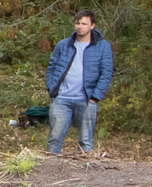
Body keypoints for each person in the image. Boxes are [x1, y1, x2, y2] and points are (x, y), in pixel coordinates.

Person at [45, 12, 112, 157]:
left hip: (87, 99)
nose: (80, 27)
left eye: (84, 23)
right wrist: (52, 90)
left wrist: (95, 97)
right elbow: (51, 67)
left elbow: (106, 73)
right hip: (61, 98)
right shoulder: (63, 45)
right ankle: (49, 171)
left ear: (92, 26)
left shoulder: (102, 46)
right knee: (54, 137)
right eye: (77, 23)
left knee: (85, 142)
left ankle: (85, 175)